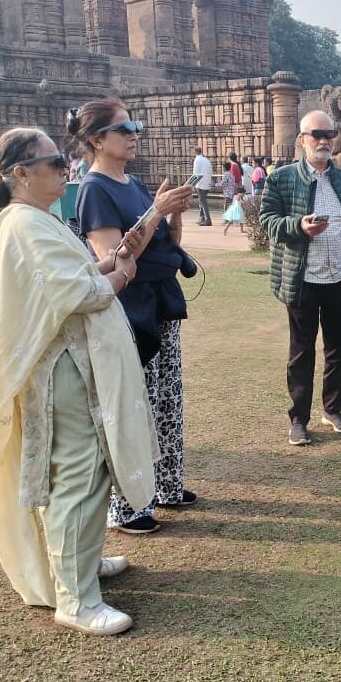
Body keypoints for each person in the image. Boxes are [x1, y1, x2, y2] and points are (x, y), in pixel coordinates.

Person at [0, 126, 154, 635]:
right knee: (75, 474)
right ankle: (76, 598)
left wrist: (115, 259)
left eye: (62, 160)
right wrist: (120, 276)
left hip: (75, 364)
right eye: (53, 162)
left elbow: (73, 275)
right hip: (61, 370)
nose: (64, 168)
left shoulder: (37, 219)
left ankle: (82, 561)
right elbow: (76, 293)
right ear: (19, 174)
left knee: (93, 465)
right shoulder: (23, 224)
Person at [72, 99, 197, 536]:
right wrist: (156, 212)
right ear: (96, 140)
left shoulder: (134, 183)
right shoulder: (95, 190)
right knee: (132, 403)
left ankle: (166, 484)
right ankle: (127, 506)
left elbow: (166, 241)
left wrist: (173, 213)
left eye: (135, 125)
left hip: (162, 299)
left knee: (166, 399)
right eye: (123, 128)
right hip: (129, 307)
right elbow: (114, 258)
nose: (133, 133)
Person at [259, 110, 341, 446]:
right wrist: (299, 227)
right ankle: (299, 419)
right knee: (301, 352)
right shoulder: (282, 179)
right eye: (316, 134)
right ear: (302, 139)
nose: (323, 141)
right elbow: (268, 222)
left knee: (339, 349)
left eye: (329, 135)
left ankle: (333, 409)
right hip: (303, 279)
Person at [193, 146, 213, 226]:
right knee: (202, 201)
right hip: (207, 183)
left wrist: (193, 184)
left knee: (203, 202)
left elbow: (196, 173)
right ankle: (202, 218)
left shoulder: (197, 160)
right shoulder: (206, 160)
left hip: (200, 184)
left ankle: (208, 219)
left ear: (195, 152)